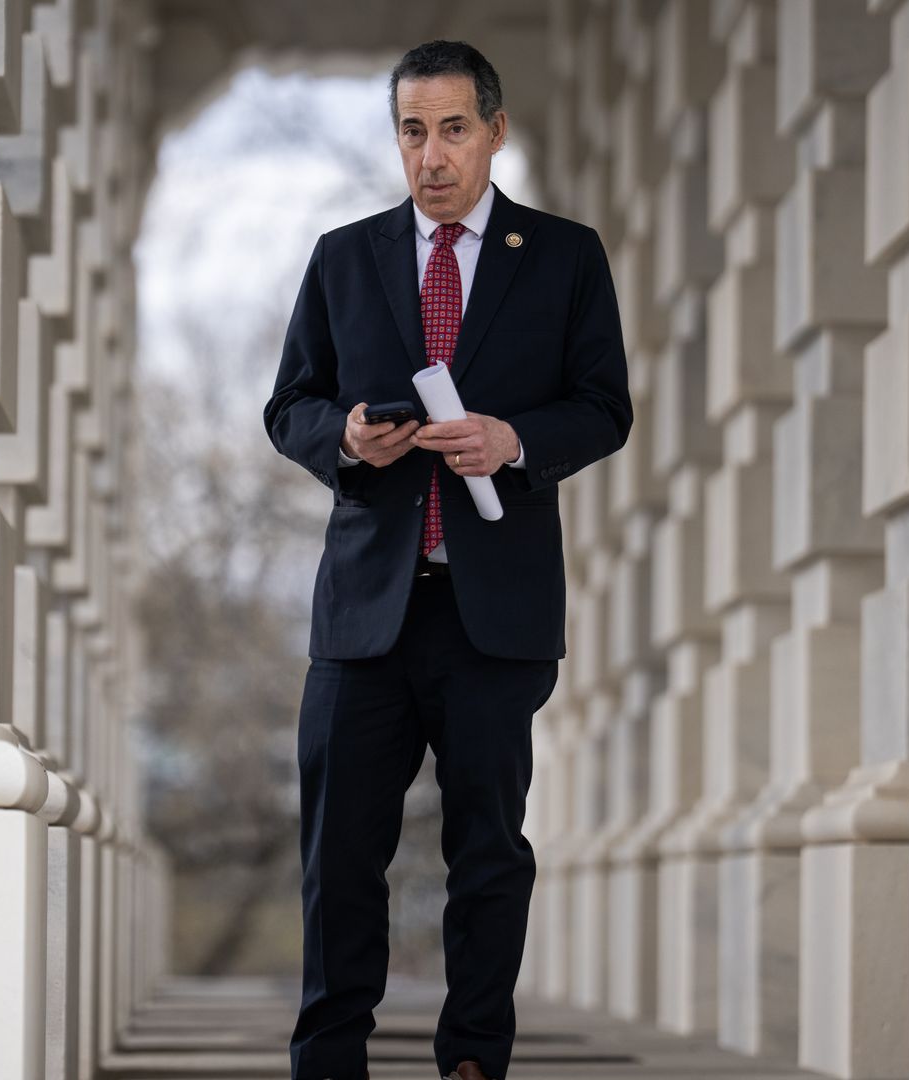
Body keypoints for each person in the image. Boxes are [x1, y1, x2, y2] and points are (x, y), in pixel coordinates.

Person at [263, 39, 632, 1080]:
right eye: (413, 131)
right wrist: (346, 440)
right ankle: (327, 1064)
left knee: (487, 854)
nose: (431, 156)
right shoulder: (345, 257)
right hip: (365, 613)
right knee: (339, 858)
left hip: (494, 612)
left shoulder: (563, 256)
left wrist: (513, 440)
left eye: (454, 129)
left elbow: (604, 407)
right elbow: (290, 405)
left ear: (495, 132)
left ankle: (473, 1060)